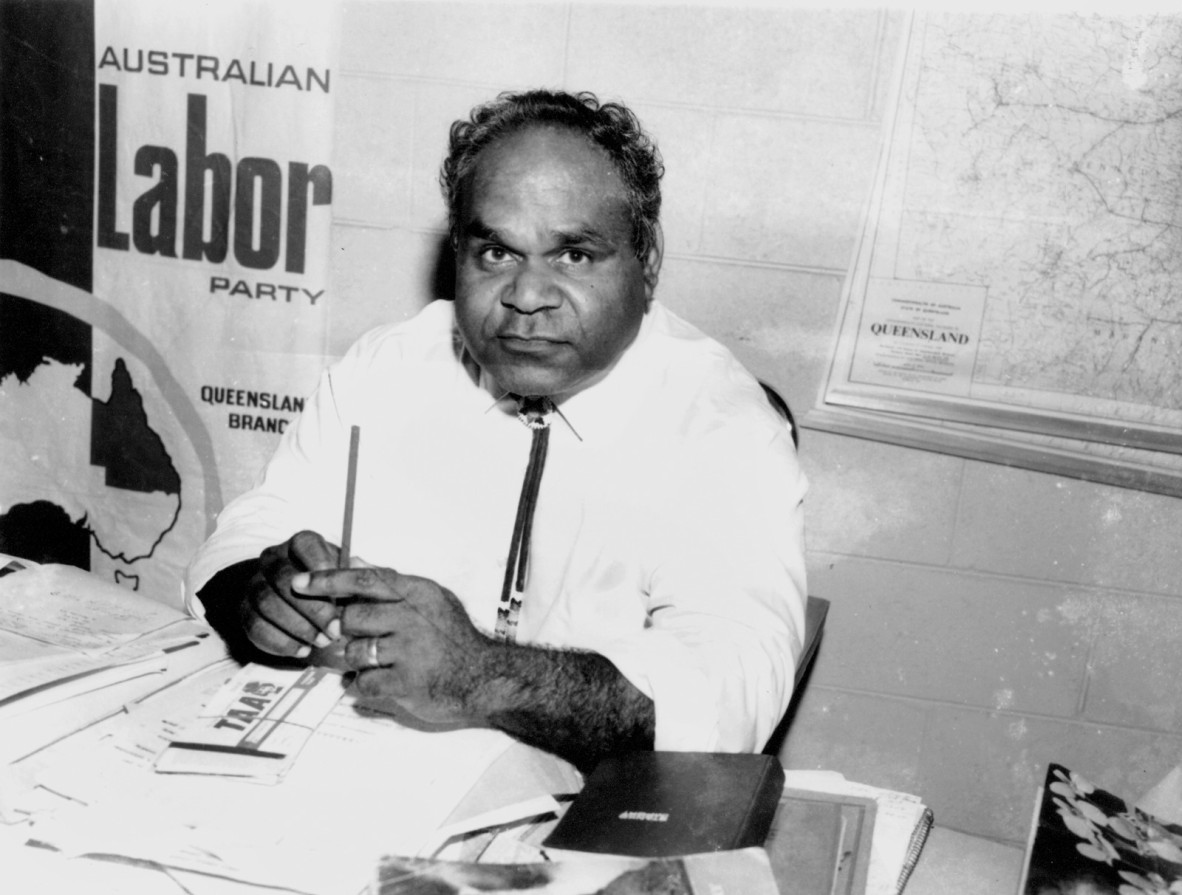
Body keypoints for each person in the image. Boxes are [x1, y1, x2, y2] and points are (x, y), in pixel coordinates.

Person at [185, 89, 808, 773]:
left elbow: (727, 697)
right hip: (351, 772)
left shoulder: (722, 425)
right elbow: (254, 527)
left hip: (575, 808)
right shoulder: (390, 366)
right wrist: (257, 590)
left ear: (646, 260)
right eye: (495, 252)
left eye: (573, 255)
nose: (526, 295)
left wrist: (481, 674)